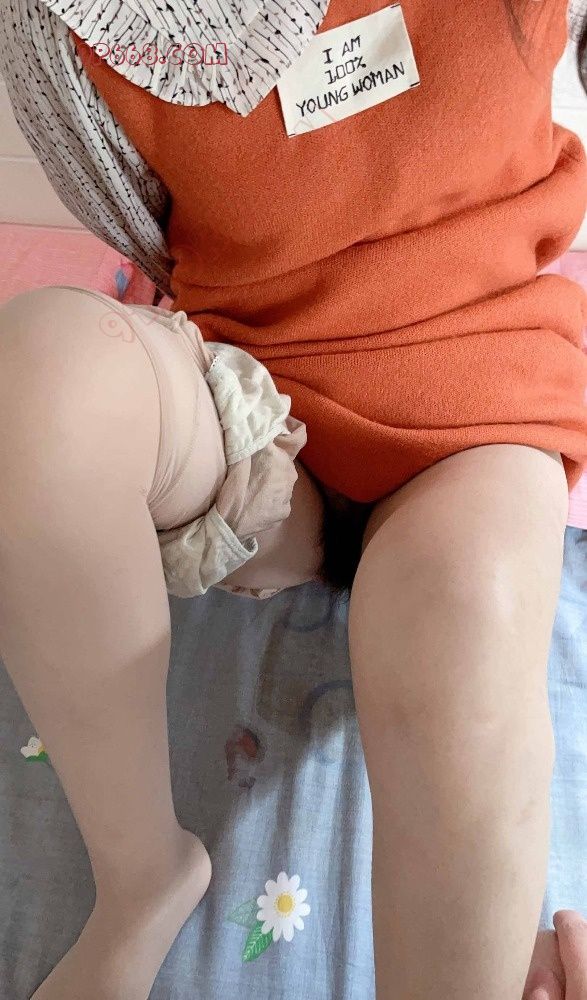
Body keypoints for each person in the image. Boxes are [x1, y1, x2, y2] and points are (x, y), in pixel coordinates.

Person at [0, 1, 586, 998]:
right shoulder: (72, 25)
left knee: (465, 613)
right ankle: (142, 878)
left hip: (477, 405)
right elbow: (137, 220)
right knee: (40, 374)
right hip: (254, 404)